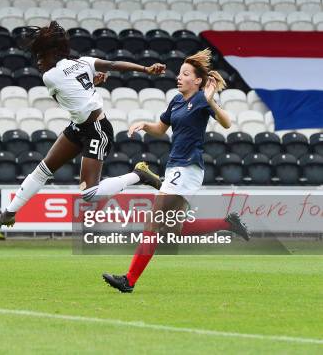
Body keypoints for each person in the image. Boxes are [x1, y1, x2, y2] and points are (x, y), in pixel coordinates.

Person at [0, 21, 166, 231]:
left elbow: (69, 95)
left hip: (97, 130)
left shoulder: (49, 77)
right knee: (43, 169)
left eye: (41, 57)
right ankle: (9, 213)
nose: (39, 62)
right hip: (78, 127)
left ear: (53, 53)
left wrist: (92, 83)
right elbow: (112, 65)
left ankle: (139, 175)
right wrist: (145, 69)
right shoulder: (84, 62)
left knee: (89, 195)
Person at [102, 48, 251, 293]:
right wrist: (143, 124)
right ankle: (227, 223)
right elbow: (160, 129)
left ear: (198, 80)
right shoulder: (177, 100)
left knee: (153, 221)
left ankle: (129, 280)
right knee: (174, 230)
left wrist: (212, 99)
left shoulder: (203, 99)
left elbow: (226, 122)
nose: (179, 77)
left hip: (188, 167)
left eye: (185, 74)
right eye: (179, 74)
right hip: (175, 167)